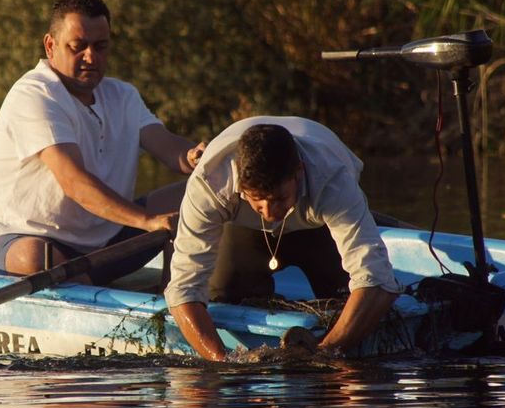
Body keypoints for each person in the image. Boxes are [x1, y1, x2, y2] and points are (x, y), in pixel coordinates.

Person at [0, 0, 206, 282]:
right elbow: (74, 182)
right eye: (78, 46)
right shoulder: (35, 93)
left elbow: (169, 147)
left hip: (106, 246)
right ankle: (84, 291)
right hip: (32, 242)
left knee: (203, 190)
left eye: (101, 46)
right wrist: (146, 221)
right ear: (50, 45)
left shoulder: (123, 95)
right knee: (34, 257)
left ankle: (184, 296)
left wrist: (199, 158)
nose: (90, 57)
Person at [164, 117, 400, 360]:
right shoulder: (210, 182)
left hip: (320, 225)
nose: (269, 213)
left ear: (299, 171)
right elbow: (184, 289)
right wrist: (222, 361)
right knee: (226, 296)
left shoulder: (332, 178)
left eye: (278, 198)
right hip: (243, 228)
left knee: (343, 302)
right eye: (257, 201)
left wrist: (324, 354)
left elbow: (378, 281)